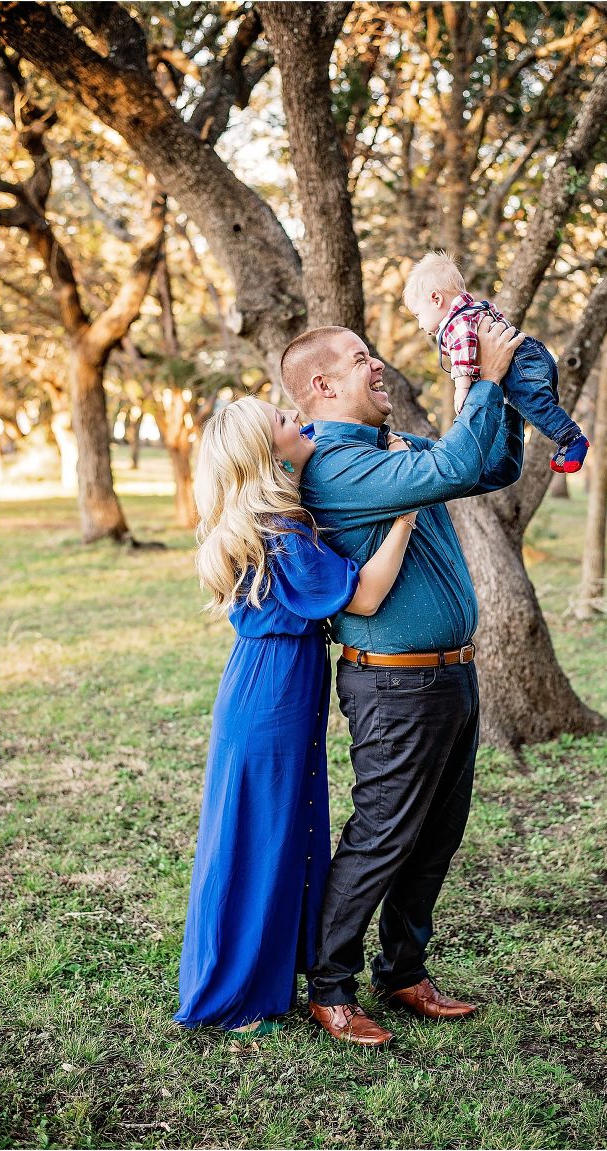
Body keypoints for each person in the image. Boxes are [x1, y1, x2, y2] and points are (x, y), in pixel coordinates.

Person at [279, 318, 526, 1047]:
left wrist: (495, 391)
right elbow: (451, 469)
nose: (378, 365)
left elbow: (487, 466)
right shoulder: (332, 464)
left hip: (453, 678)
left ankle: (404, 970)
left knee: (436, 836)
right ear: (322, 386)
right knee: (383, 834)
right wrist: (477, 381)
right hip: (393, 687)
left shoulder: (396, 449)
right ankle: (329, 987)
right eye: (361, 360)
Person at [174, 397, 419, 1036]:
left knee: (269, 831)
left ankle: (262, 971)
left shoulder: (266, 520)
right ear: (266, 452)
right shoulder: (280, 533)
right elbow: (365, 594)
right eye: (284, 420)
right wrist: (403, 520)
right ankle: (236, 991)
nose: (299, 420)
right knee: (265, 836)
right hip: (274, 693)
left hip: (263, 682)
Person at [403, 250, 590, 474]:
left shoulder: (456, 323)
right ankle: (562, 443)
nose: (420, 325)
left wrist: (461, 389)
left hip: (521, 363)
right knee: (536, 409)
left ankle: (572, 439)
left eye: (417, 315)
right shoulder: (476, 310)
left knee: (535, 406)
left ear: (436, 298)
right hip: (534, 356)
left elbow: (464, 350)